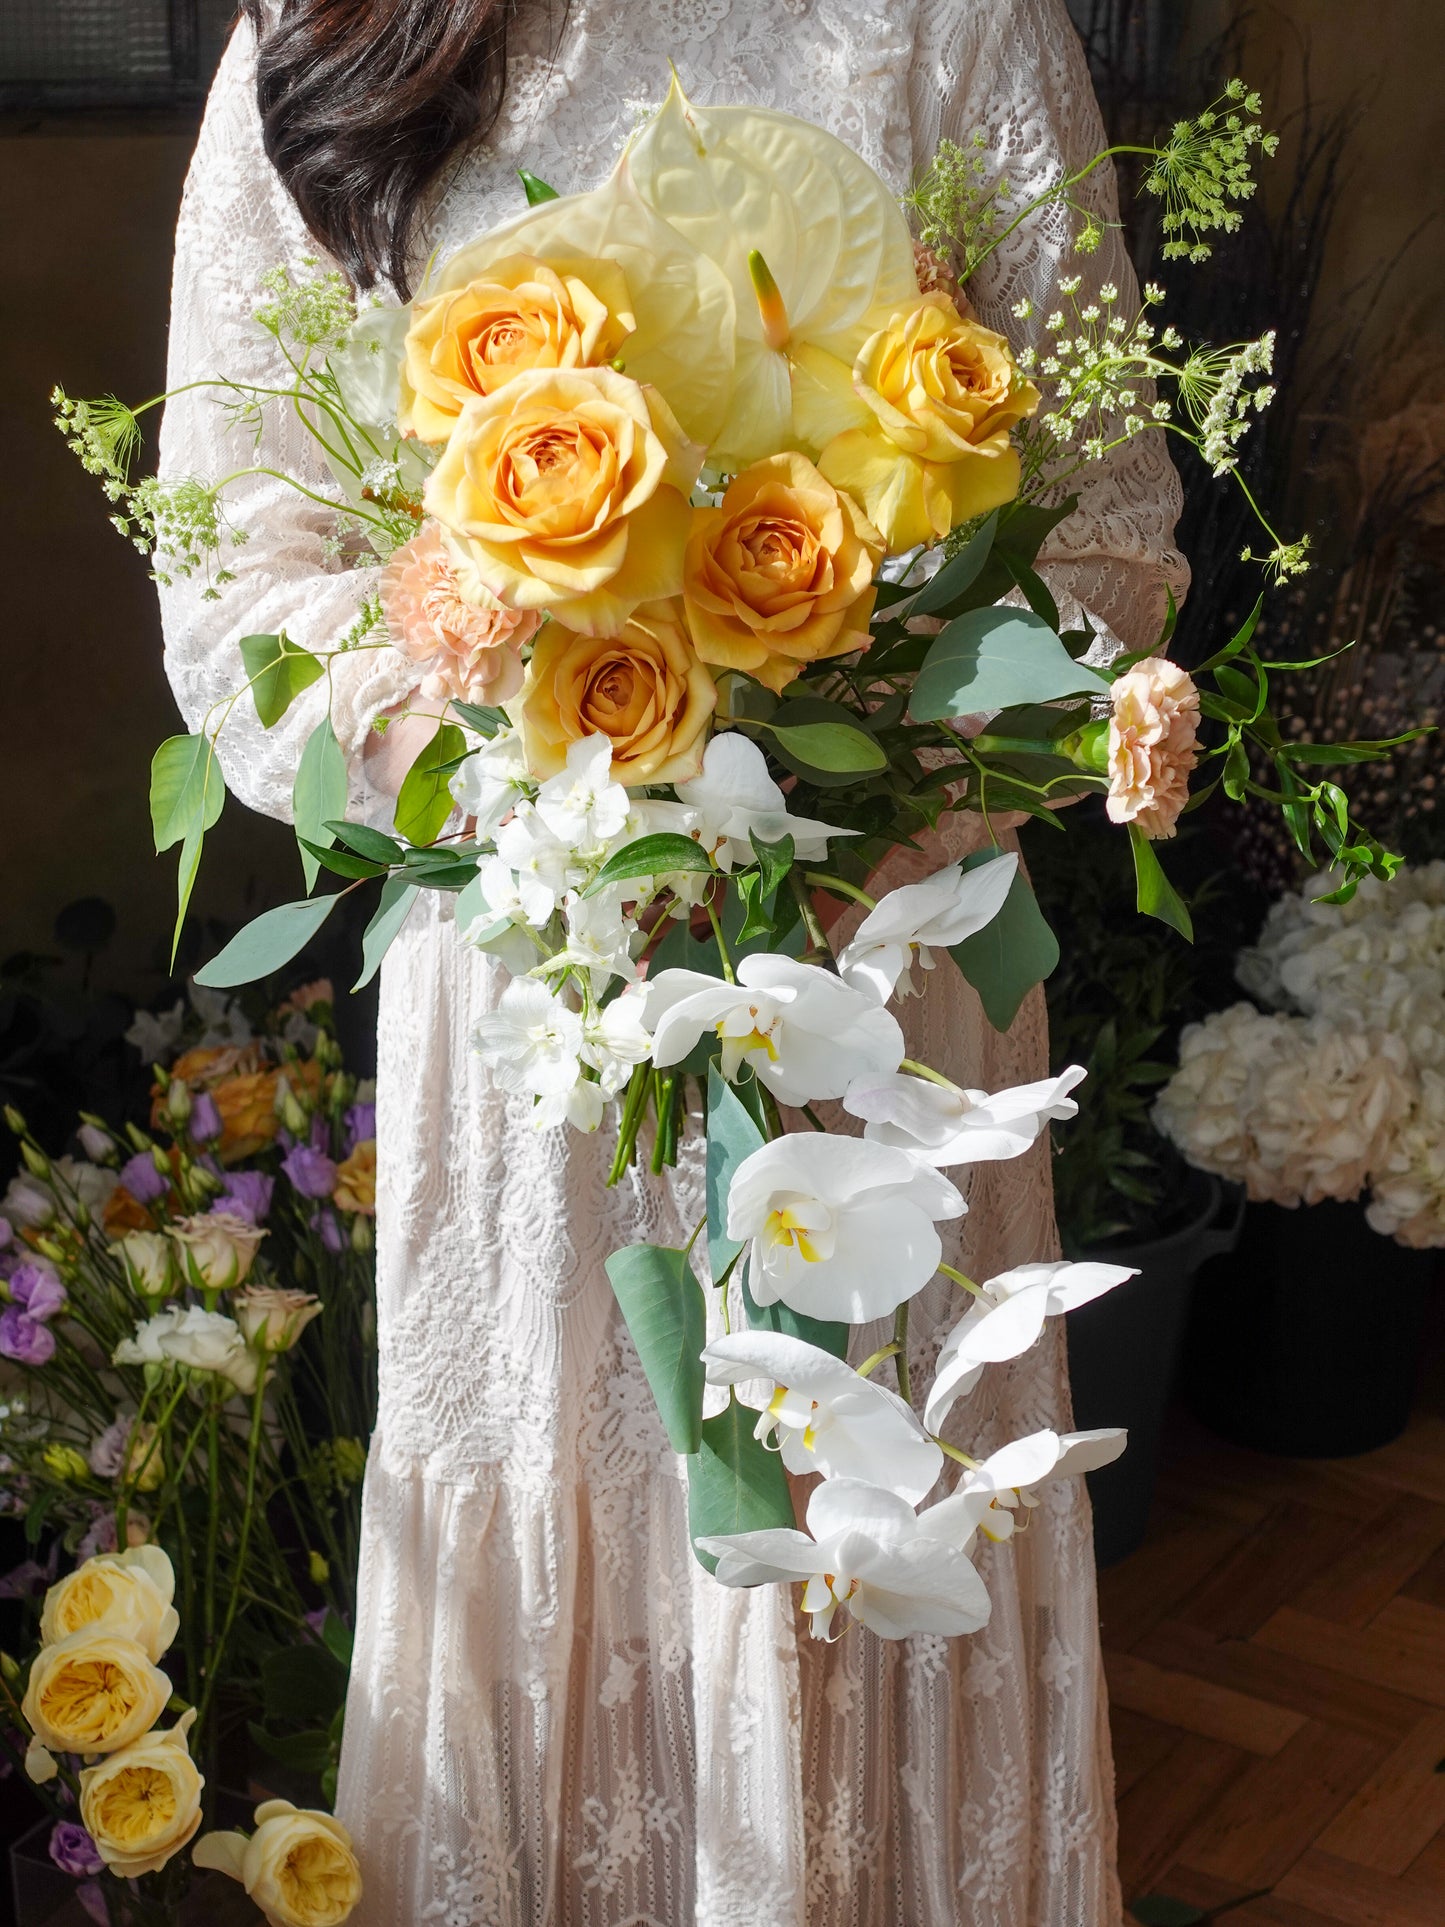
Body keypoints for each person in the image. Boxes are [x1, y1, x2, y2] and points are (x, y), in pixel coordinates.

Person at [158, 2, 1187, 1919]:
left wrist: (811, 805)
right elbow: (242, 580)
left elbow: (1105, 545)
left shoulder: (951, 24)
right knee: (559, 1526)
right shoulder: (320, 34)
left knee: (866, 1523)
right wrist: (566, 793)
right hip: (532, 987)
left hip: (873, 971)